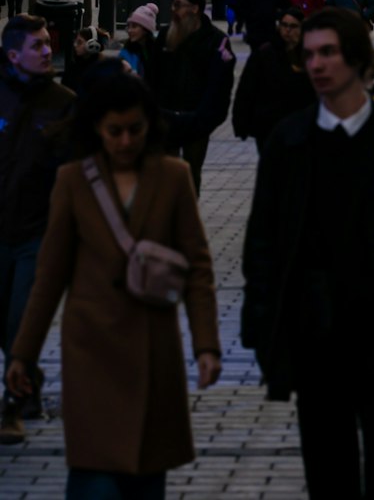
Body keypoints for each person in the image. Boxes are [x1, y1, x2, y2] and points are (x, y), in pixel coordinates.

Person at [241, 7, 374, 500]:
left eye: (328, 53)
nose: (315, 64)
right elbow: (264, 244)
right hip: (314, 338)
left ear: (359, 60)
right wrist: (262, 328)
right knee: (327, 474)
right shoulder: (289, 142)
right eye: (309, 54)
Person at [5, 72, 222, 494]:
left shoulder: (173, 177)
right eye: (114, 131)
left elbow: (198, 268)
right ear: (95, 129)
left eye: (135, 130)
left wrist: (207, 345)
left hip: (153, 352)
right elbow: (49, 277)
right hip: (91, 354)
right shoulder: (73, 182)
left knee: (145, 479)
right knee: (94, 480)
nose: (125, 142)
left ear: (150, 124)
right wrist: (22, 355)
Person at [0, 15, 75, 445]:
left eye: (48, 43)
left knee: (20, 322)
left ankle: (12, 408)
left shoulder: (63, 101)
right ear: (13, 55)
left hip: (38, 233)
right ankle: (28, 381)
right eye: (37, 45)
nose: (48, 51)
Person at [150, 0, 235, 193]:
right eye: (173, 5)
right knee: (165, 171)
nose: (173, 10)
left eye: (178, 5)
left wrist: (206, 117)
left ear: (195, 9)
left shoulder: (215, 40)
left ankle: (188, 216)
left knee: (190, 172)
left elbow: (220, 84)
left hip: (197, 118)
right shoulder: (165, 35)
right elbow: (152, 75)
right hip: (165, 117)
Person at [232, 7, 314, 153]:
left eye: (293, 26)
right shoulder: (265, 53)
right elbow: (247, 89)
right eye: (284, 25)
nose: (288, 30)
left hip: (301, 126)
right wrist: (241, 123)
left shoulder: (310, 55)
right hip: (269, 126)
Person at [118, 4, 159, 81]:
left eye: (134, 26)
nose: (129, 30)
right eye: (128, 26)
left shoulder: (158, 49)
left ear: (146, 29)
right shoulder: (126, 52)